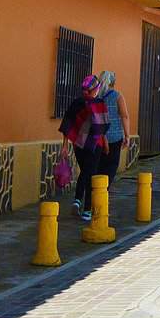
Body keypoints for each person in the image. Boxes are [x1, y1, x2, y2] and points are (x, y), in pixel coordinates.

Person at [59, 74, 110, 221]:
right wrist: (106, 143)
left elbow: (67, 124)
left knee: (85, 172)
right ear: (96, 89)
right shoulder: (99, 104)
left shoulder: (76, 103)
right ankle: (87, 210)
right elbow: (101, 129)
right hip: (95, 146)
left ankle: (77, 200)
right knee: (91, 175)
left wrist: (64, 146)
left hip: (79, 145)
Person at [98, 70, 130, 187]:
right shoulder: (118, 96)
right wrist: (127, 135)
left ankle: (95, 191)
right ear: (113, 82)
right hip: (115, 137)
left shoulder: (97, 96)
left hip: (99, 137)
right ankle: (104, 191)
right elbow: (124, 116)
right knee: (111, 166)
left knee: (99, 166)